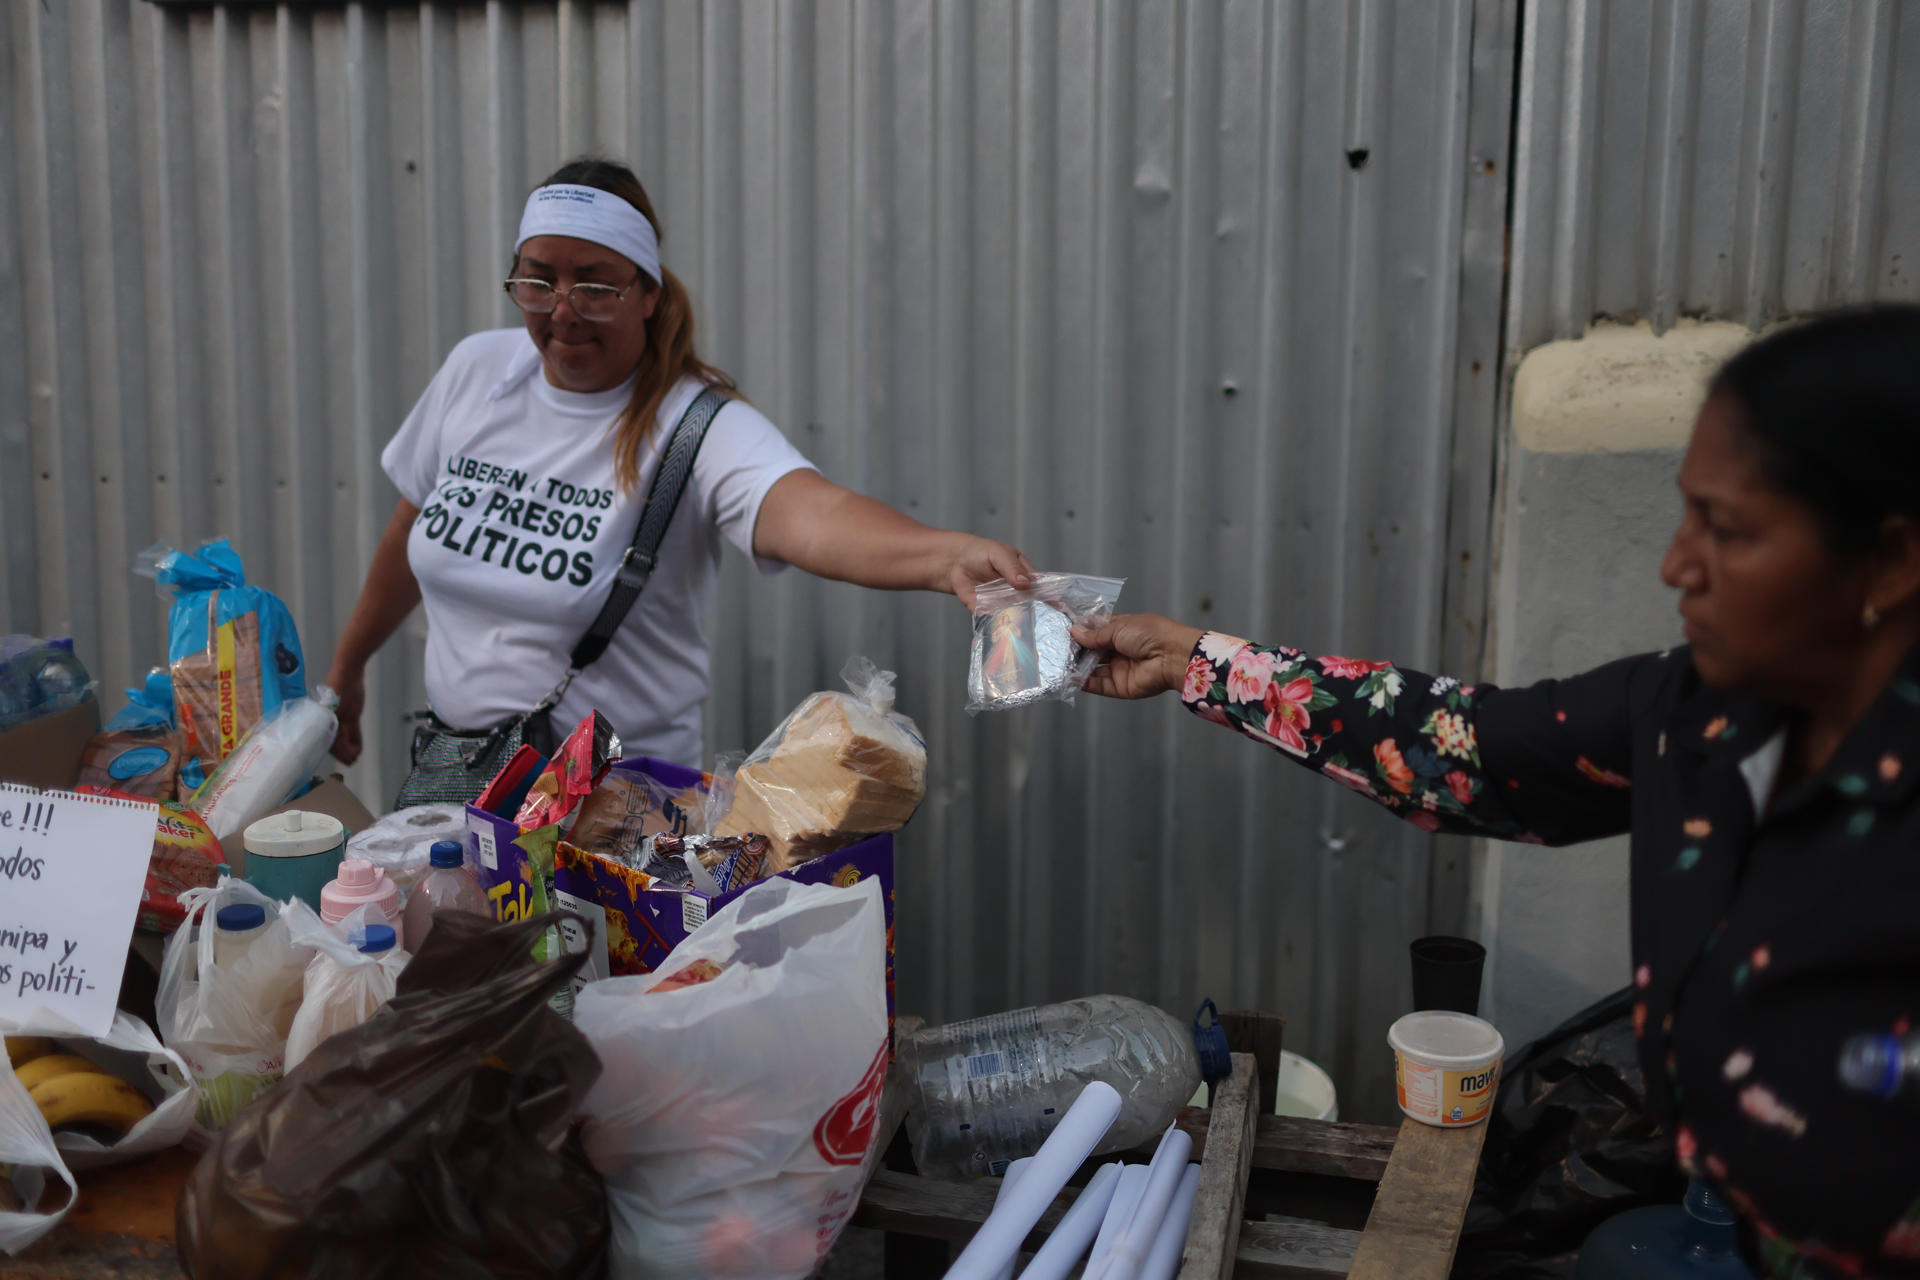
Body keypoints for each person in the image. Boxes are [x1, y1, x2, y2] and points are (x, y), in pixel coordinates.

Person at [1073, 306, 1920, 1279]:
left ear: (1890, 561)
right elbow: (1467, 748)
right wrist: (1196, 660)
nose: (1676, 563)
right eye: (1686, 511)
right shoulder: (1705, 715)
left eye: (1726, 529)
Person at [326, 157, 1032, 795]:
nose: (563, 311)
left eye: (596, 287)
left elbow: (810, 513)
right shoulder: (478, 372)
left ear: (648, 293)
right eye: (538, 281)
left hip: (617, 810)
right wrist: (349, 669)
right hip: (457, 780)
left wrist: (947, 559)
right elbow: (411, 527)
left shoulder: (694, 425)